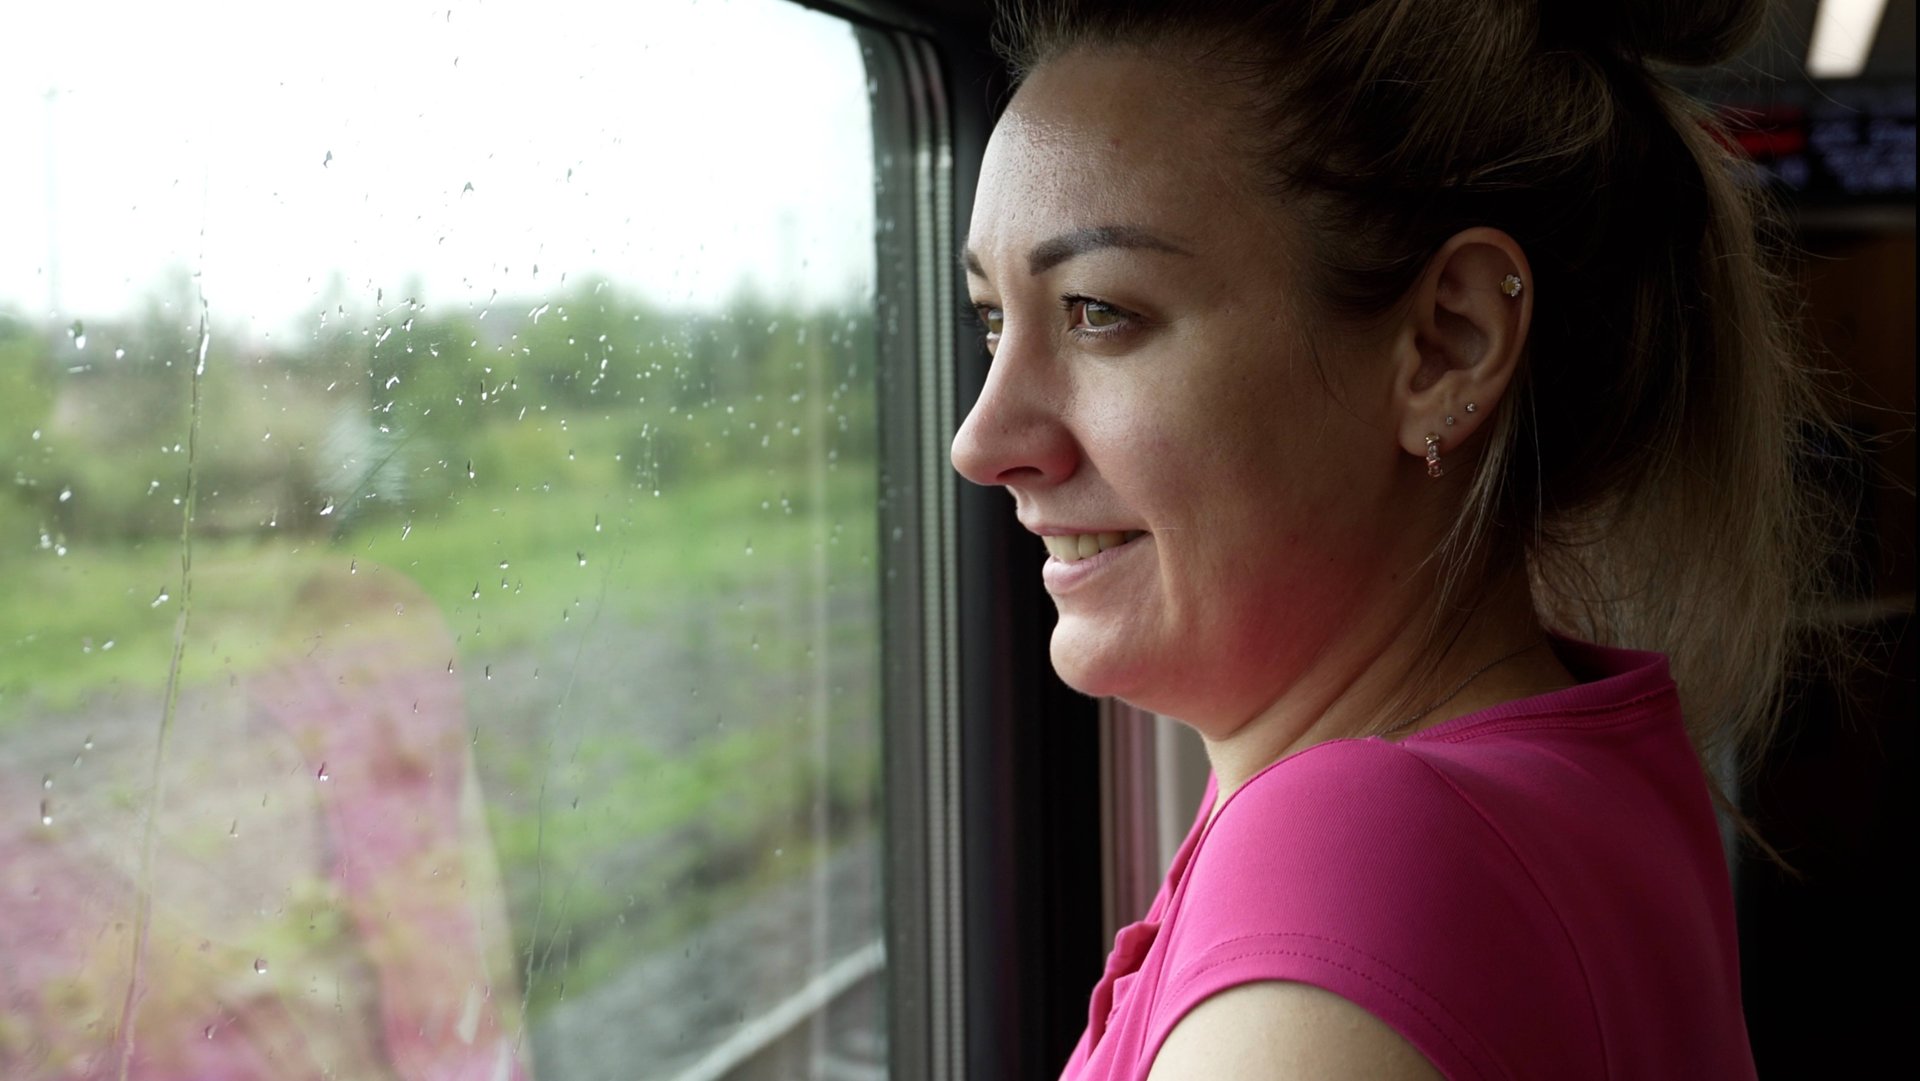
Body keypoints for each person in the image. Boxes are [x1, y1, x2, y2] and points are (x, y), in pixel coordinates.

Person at [950, 1, 1839, 1077]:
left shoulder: (1352, 865)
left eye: (1098, 310)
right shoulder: (1586, 765)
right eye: (992, 320)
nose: (981, 443)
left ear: (1446, 346)